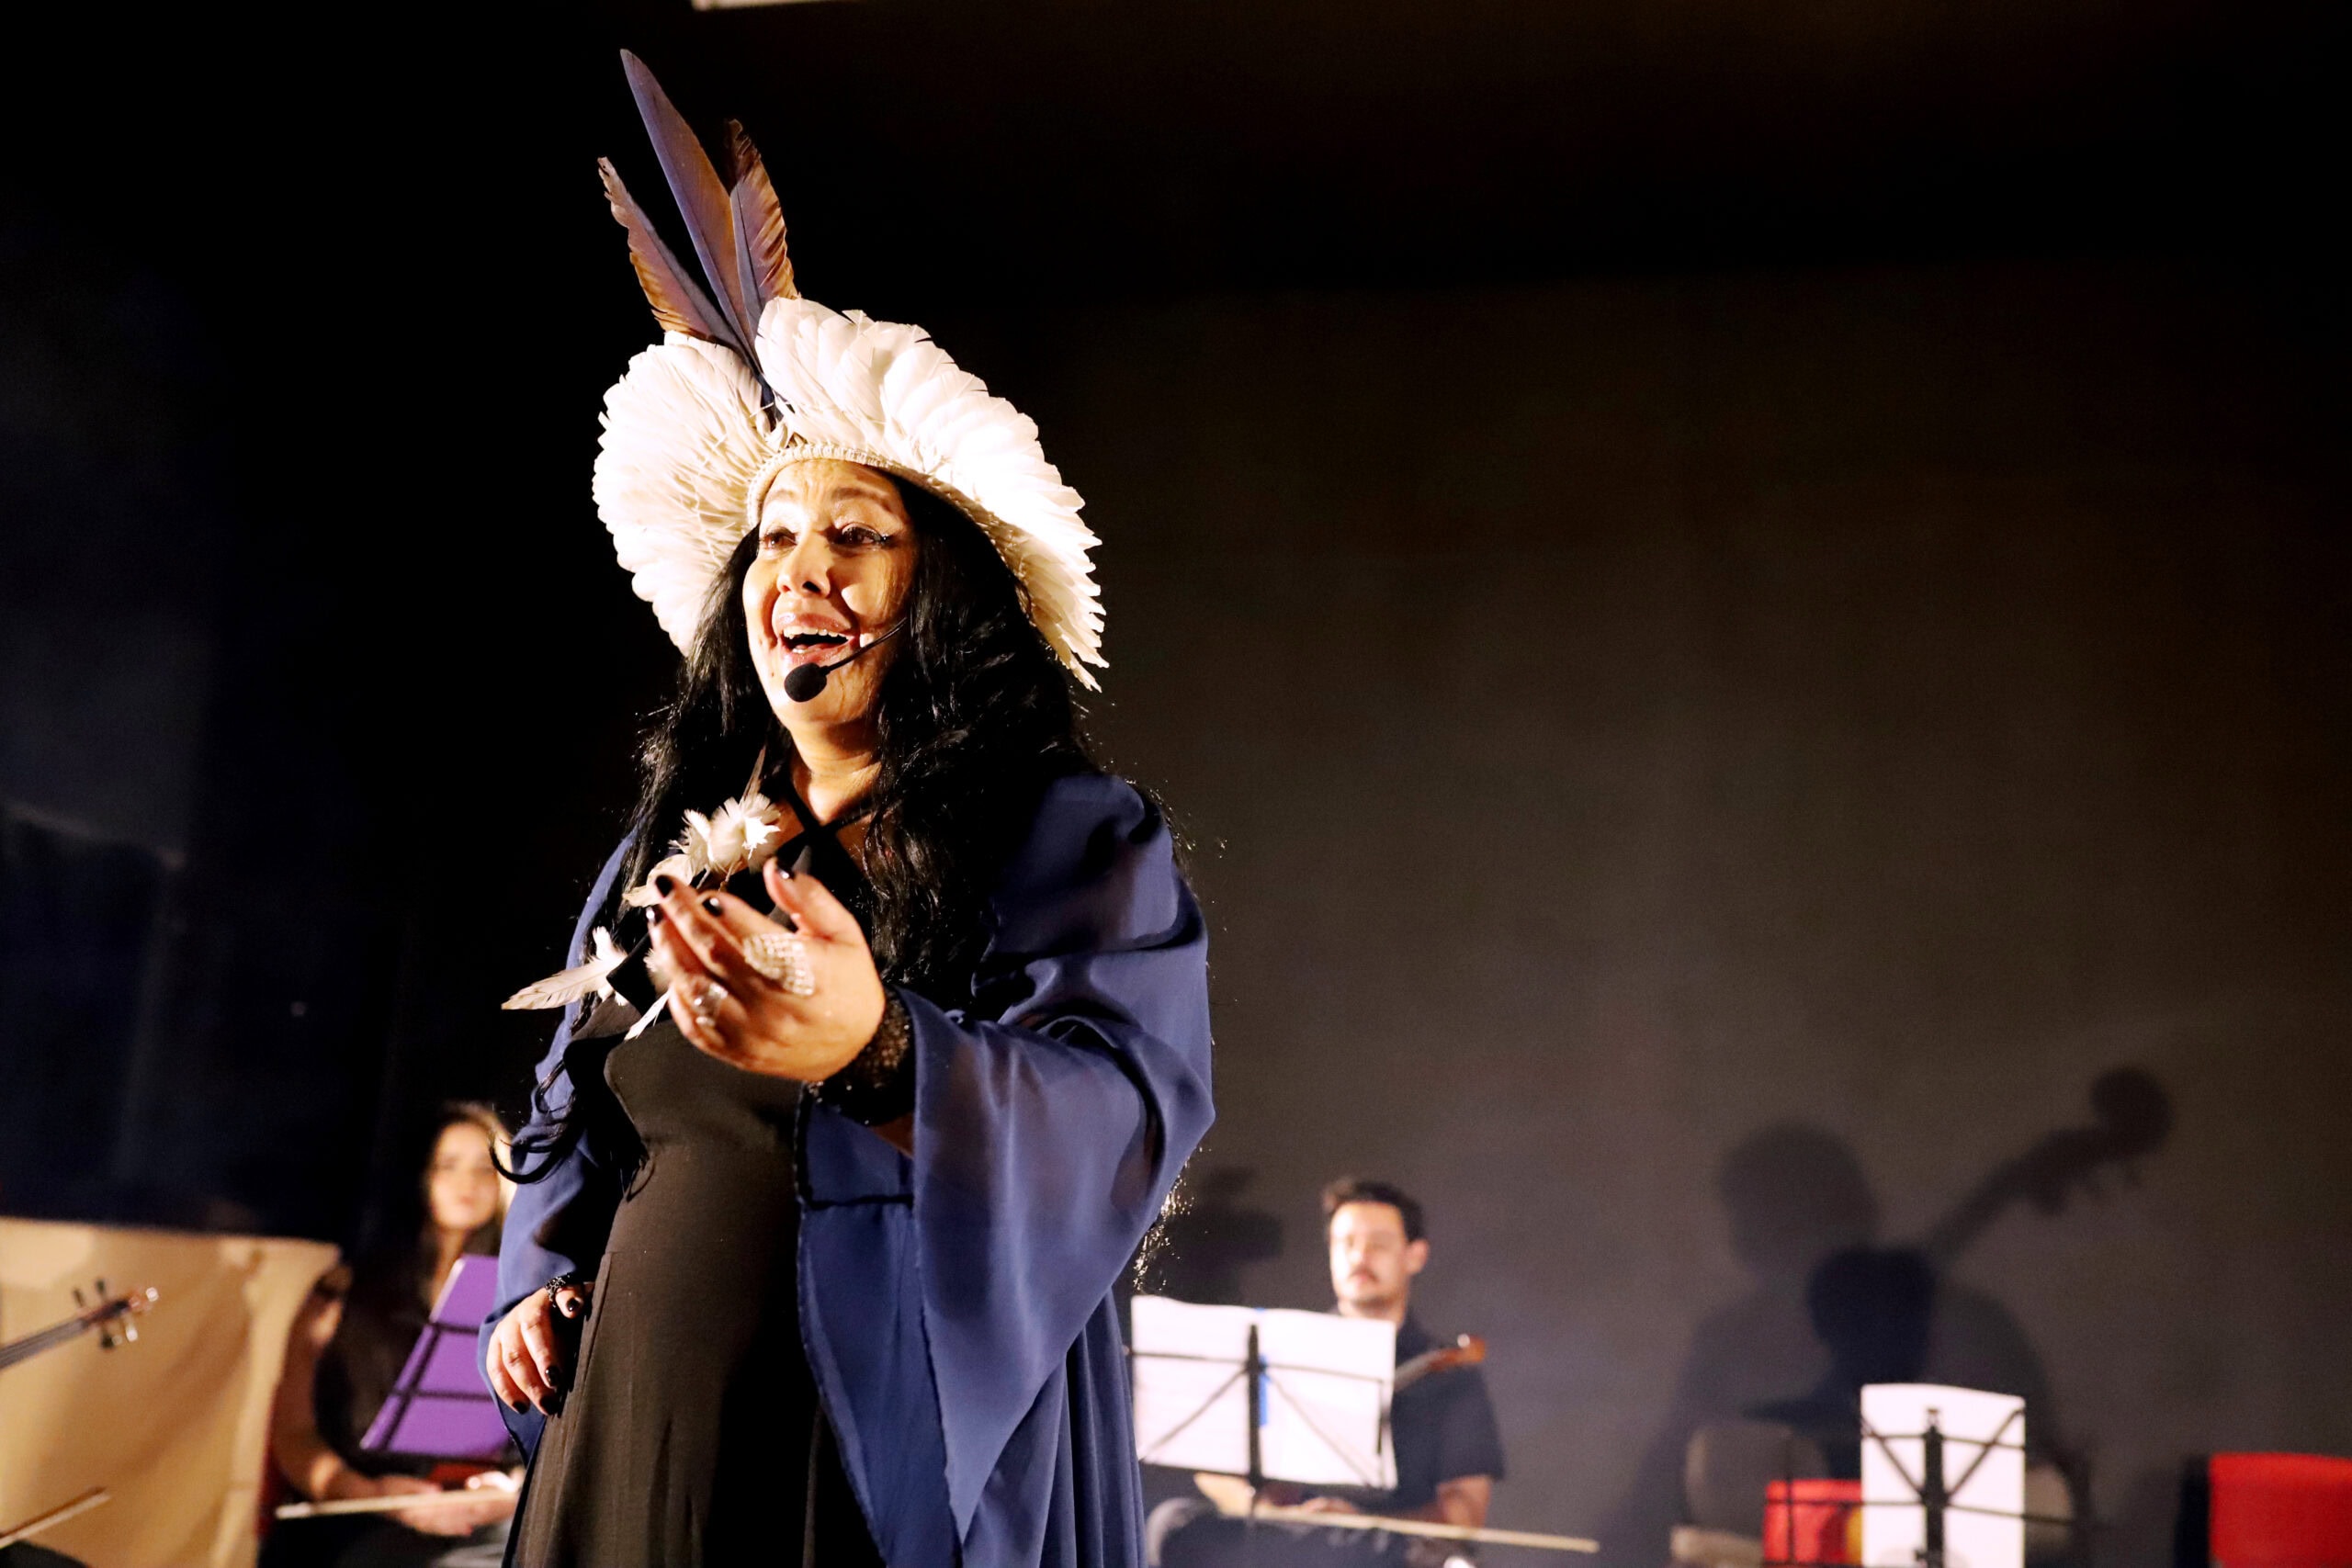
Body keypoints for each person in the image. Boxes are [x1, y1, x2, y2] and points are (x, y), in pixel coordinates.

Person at [477, 54, 1214, 1568]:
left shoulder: (1074, 839)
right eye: (773, 537)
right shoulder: (676, 844)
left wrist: (878, 1051)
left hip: (869, 1445)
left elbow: (1121, 1116)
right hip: (634, 1415)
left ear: (946, 594)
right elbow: (571, 1094)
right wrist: (532, 1278)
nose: (800, 569)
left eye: (856, 533)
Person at [1149, 1179, 1505, 1567]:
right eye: (1345, 1243)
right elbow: (1217, 1472)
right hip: (1292, 1543)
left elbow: (1464, 1514)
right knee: (1172, 1525)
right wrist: (1272, 1512)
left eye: (1378, 1244)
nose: (1359, 1256)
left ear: (1415, 1256)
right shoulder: (1280, 1351)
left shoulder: (1448, 1371)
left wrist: (1360, 1523)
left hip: (1384, 1550)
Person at [264, 1105, 521, 1568]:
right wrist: (373, 1494)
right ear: (420, 1175)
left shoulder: (522, 1298)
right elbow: (295, 1435)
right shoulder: (343, 1292)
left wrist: (515, 1490)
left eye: (485, 1168)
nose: (467, 1183)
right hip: (366, 1517)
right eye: (448, 1165)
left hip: (483, 1521)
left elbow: (548, 1436)